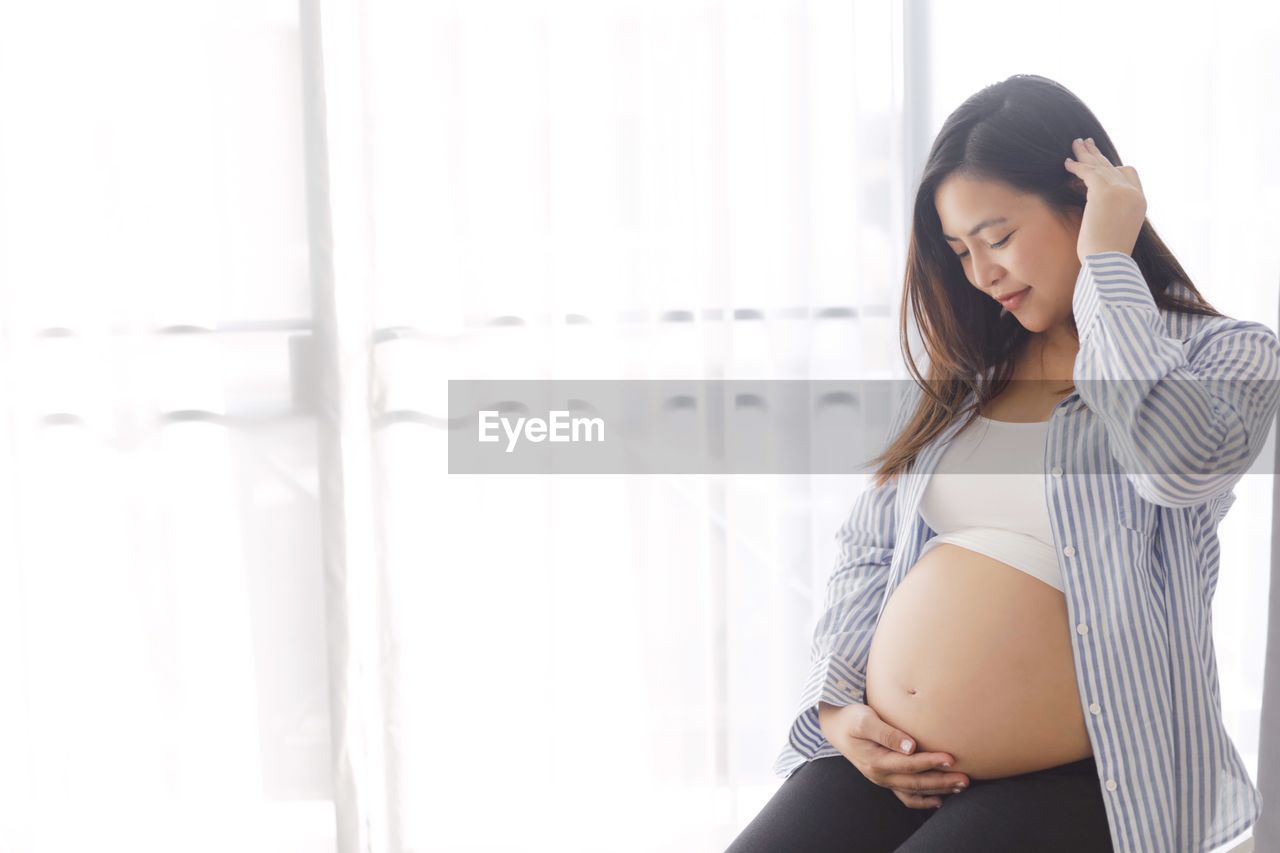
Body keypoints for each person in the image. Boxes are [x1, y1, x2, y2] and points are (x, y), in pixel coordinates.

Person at [725, 74, 1280, 853]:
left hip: (1081, 774)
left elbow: (1175, 466)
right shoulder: (970, 375)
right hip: (892, 760)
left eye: (998, 236)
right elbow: (868, 551)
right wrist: (839, 712)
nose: (981, 274)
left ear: (1083, 205)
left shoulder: (1223, 351)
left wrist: (1108, 267)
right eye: (960, 252)